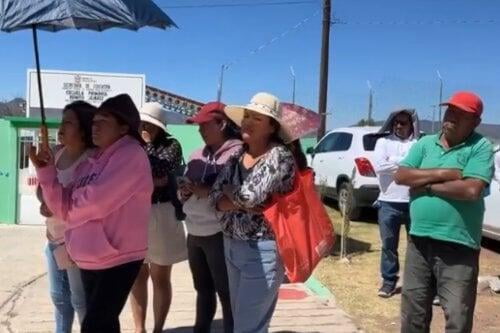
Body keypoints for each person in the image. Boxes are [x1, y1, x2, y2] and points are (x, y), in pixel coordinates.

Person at [31, 94, 153, 332]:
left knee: (95, 324)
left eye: (103, 121)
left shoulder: (131, 153)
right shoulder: (93, 160)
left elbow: (95, 202)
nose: (95, 126)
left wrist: (68, 209)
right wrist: (46, 171)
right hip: (90, 258)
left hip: (117, 257)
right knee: (102, 323)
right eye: (93, 121)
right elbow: (61, 205)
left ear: (124, 127)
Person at [394, 91, 494, 333]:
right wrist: (445, 174)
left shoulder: (480, 147)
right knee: (413, 314)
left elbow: (471, 189)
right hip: (419, 242)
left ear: (476, 121)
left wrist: (425, 185)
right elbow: (402, 175)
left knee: (457, 317)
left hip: (458, 246)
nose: (451, 117)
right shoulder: (425, 144)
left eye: (461, 114)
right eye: (450, 111)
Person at [209, 92, 307, 333]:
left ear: (272, 127)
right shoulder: (238, 155)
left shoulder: (278, 156)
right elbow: (213, 197)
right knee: (243, 323)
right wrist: (240, 199)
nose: (248, 121)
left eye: (257, 118)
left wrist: (233, 195)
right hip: (231, 245)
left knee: (247, 328)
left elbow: (247, 196)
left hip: (261, 251)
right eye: (247, 116)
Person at [178, 101, 242, 333]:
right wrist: (184, 191)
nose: (200, 130)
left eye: (205, 125)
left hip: (219, 233)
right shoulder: (196, 155)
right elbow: (183, 189)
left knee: (226, 292)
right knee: (202, 290)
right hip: (194, 232)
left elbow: (237, 194)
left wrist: (206, 190)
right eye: (198, 126)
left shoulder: (237, 154)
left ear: (222, 123)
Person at [130, 102, 187, 333]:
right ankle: (138, 329)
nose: (144, 126)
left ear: (159, 126)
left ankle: (158, 329)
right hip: (134, 215)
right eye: (141, 122)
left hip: (162, 212)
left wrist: (142, 149)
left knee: (160, 276)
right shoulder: (132, 145)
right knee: (137, 275)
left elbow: (159, 172)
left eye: (149, 123)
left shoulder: (172, 146)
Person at [38, 101, 96, 333]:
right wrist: (44, 202)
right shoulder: (57, 153)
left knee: (80, 301)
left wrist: (57, 204)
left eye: (68, 122)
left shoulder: (93, 160)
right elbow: (45, 189)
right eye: (62, 121)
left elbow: (88, 201)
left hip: (77, 243)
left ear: (83, 129)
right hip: (53, 240)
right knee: (59, 299)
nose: (61, 127)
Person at [373, 109, 418, 298]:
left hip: (414, 201)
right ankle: (389, 281)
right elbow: (379, 166)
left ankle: (417, 284)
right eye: (396, 122)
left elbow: (421, 166)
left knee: (417, 247)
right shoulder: (383, 142)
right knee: (388, 246)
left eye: (403, 123)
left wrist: (393, 161)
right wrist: (406, 164)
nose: (399, 126)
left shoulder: (418, 144)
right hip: (388, 202)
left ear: (411, 125)